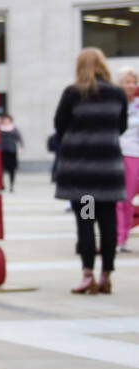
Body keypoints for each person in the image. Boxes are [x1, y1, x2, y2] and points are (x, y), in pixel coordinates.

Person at [53, 48, 128, 293]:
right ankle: (107, 274)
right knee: (108, 224)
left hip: (83, 176)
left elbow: (60, 127)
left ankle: (87, 275)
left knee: (86, 223)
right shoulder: (117, 94)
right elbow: (121, 127)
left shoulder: (73, 93)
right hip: (108, 174)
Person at [116, 67, 138, 253]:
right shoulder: (113, 101)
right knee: (89, 201)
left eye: (134, 82)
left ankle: (122, 238)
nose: (131, 86)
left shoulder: (138, 103)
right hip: (116, 154)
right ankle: (116, 238)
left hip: (134, 154)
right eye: (127, 82)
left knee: (128, 199)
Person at [0, 113, 23, 191]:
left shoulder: (14, 129)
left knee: (11, 169)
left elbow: (19, 138)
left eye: (7, 119)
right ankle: (1, 184)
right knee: (0, 169)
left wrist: (21, 147)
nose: (6, 121)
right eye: (4, 120)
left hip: (12, 150)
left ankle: (11, 185)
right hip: (2, 150)